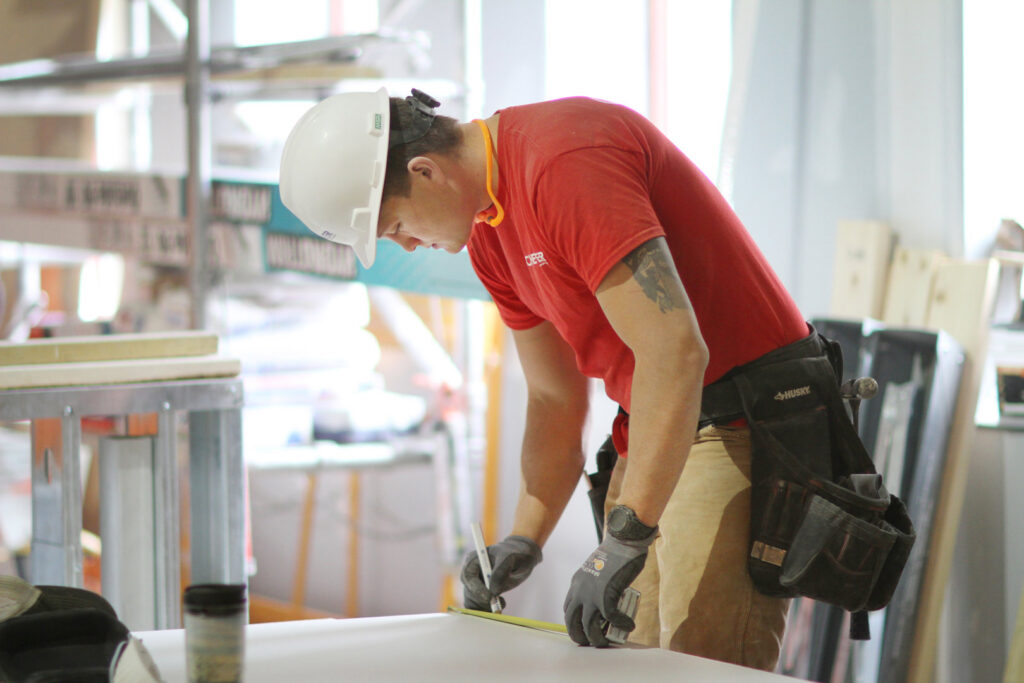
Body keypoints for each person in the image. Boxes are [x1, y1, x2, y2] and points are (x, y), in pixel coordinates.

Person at [279, 87, 811, 671]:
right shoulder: (488, 233)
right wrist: (524, 539)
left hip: (738, 420)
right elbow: (554, 397)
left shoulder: (564, 163)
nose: (407, 244)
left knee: (700, 665)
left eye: (397, 225)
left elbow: (677, 353)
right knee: (635, 663)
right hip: (660, 422)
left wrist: (624, 539)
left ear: (425, 171)